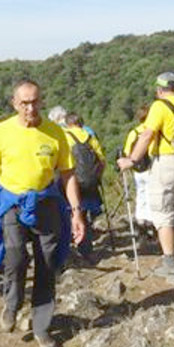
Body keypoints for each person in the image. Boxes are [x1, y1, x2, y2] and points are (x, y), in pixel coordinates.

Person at [0, 80, 86, 347]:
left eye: (35, 101)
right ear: (15, 104)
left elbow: (67, 174)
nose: (30, 107)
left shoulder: (55, 133)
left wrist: (76, 213)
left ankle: (41, 327)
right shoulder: (1, 132)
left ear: (42, 101)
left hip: (46, 202)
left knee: (47, 263)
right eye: (24, 103)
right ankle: (12, 303)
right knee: (14, 258)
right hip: (12, 204)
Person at [118, 72, 174, 281]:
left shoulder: (159, 106)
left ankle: (169, 264)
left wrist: (132, 160)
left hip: (166, 162)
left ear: (160, 89)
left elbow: (147, 135)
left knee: (163, 215)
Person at [63, 112, 105, 261]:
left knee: (70, 214)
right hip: (90, 182)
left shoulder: (64, 136)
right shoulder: (90, 137)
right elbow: (102, 160)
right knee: (84, 215)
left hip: (72, 182)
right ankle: (86, 249)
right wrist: (97, 177)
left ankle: (67, 249)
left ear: (67, 123)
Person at [123, 104, 156, 236]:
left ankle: (140, 220)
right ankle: (151, 222)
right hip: (152, 167)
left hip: (138, 169)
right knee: (151, 195)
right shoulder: (153, 130)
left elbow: (126, 151)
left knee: (140, 194)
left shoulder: (134, 132)